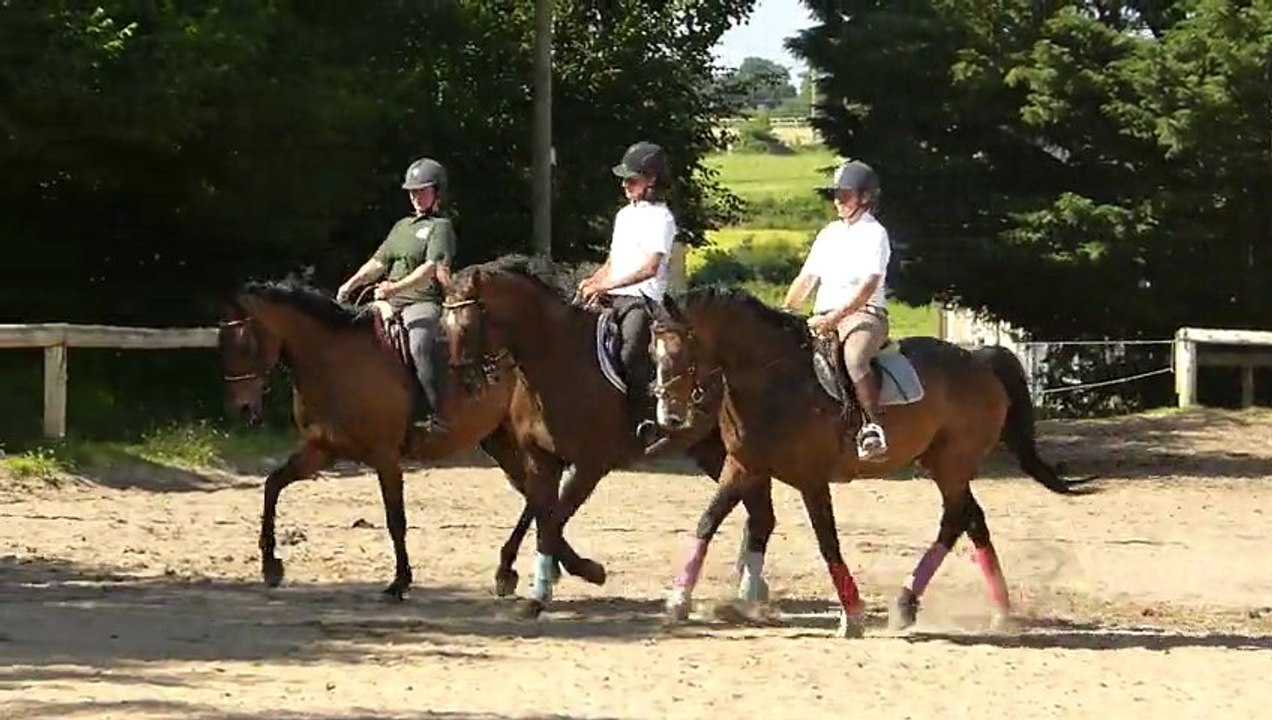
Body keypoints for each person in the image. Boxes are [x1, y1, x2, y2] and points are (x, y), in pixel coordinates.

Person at [336, 157, 457, 433]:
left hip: (422, 301)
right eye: (412, 191)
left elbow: (430, 268)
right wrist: (350, 284)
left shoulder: (441, 227)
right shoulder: (401, 227)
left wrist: (395, 288)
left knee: (419, 344)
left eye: (422, 190)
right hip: (389, 300)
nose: (415, 196)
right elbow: (378, 263)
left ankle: (434, 412)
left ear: (437, 192)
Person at [783, 159, 892, 462]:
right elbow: (806, 279)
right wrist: (785, 311)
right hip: (822, 317)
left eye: (844, 194)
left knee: (854, 358)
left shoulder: (875, 234)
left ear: (865, 197)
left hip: (864, 315)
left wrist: (835, 317)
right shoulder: (828, 233)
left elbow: (869, 285)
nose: (837, 201)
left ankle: (873, 427)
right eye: (835, 195)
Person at [577, 140, 678, 442]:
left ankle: (641, 418)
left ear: (651, 180)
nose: (625, 184)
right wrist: (592, 281)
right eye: (624, 179)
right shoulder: (624, 216)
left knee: (632, 347)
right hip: (613, 293)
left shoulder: (662, 218)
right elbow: (613, 261)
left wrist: (606, 284)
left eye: (631, 179)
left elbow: (650, 268)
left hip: (643, 299)